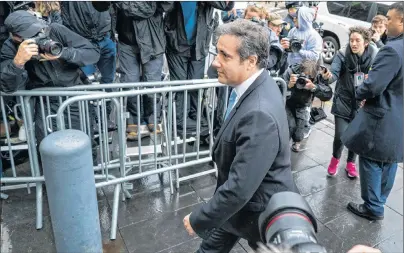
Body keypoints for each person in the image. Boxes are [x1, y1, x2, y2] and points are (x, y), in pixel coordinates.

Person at [182, 19, 296, 252]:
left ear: (251, 61)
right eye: (217, 53)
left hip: (260, 210)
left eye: (225, 55)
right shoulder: (258, 84)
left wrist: (199, 218)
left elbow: (240, 187)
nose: (215, 62)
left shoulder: (259, 113)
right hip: (240, 208)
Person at [0, 10, 100, 161]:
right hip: (44, 103)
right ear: (16, 37)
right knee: (49, 150)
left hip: (74, 97)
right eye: (31, 35)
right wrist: (18, 62)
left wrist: (63, 53)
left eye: (39, 31)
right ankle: (53, 184)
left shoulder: (54, 30)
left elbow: (93, 53)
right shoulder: (10, 47)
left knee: (83, 145)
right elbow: (7, 87)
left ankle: (86, 181)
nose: (39, 36)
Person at [341, 2, 403, 221]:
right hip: (399, 116)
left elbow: (373, 86)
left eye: (390, 18)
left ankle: (373, 207)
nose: (387, 22)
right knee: (389, 160)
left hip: (381, 116)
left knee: (371, 159)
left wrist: (360, 89)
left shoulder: (392, 51)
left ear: (401, 21)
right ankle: (380, 201)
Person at [164, 1, 234, 132]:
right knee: (180, 85)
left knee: (196, 82)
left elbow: (226, 5)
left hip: (199, 44)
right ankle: (179, 120)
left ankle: (195, 115)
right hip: (176, 42)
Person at [323, 26, 379, 178]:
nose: (353, 43)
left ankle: (350, 163)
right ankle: (335, 159)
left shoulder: (374, 56)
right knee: (340, 135)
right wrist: (327, 75)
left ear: (366, 42)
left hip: (362, 104)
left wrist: (371, 82)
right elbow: (333, 75)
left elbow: (378, 78)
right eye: (351, 40)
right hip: (343, 100)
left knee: (355, 136)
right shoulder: (342, 54)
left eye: (357, 41)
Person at [283, 59, 332, 152]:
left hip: (303, 105)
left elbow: (327, 95)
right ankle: (282, 147)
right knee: (290, 126)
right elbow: (278, 89)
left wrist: (314, 87)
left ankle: (296, 142)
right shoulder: (291, 72)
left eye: (309, 77)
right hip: (287, 103)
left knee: (299, 133)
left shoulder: (317, 77)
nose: (305, 80)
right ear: (300, 71)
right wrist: (288, 85)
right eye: (304, 75)